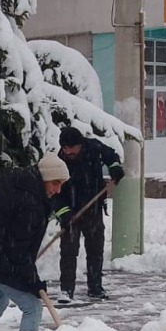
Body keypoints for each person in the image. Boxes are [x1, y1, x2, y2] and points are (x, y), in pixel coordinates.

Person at [0, 153, 69, 331]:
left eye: (61, 184)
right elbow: (18, 249)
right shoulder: (30, 203)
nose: (58, 189)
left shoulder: (25, 184)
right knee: (33, 307)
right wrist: (33, 281)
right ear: (45, 178)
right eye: (56, 183)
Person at [55, 125, 125, 304]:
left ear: (81, 145)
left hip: (93, 208)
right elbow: (55, 194)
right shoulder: (59, 162)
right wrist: (64, 214)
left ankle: (95, 288)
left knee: (95, 251)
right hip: (70, 213)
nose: (69, 151)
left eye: (72, 147)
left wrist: (115, 168)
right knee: (68, 253)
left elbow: (112, 156)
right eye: (65, 148)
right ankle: (66, 291)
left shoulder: (94, 148)